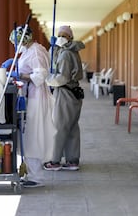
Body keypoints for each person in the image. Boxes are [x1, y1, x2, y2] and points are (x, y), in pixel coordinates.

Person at [1, 25, 56, 188]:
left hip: (36, 97)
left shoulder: (36, 51)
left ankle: (36, 176)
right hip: (29, 96)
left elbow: (40, 75)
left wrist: (19, 74)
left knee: (33, 136)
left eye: (15, 42)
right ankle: (31, 172)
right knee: (28, 135)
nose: (15, 45)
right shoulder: (27, 51)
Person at [43, 25, 85, 171]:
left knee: (59, 127)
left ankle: (54, 160)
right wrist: (52, 48)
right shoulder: (68, 51)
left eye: (64, 35)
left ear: (70, 38)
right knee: (72, 127)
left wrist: (47, 80)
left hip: (65, 92)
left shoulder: (67, 54)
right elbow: (53, 60)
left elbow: (62, 77)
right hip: (73, 93)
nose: (61, 37)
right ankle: (72, 160)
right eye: (59, 34)